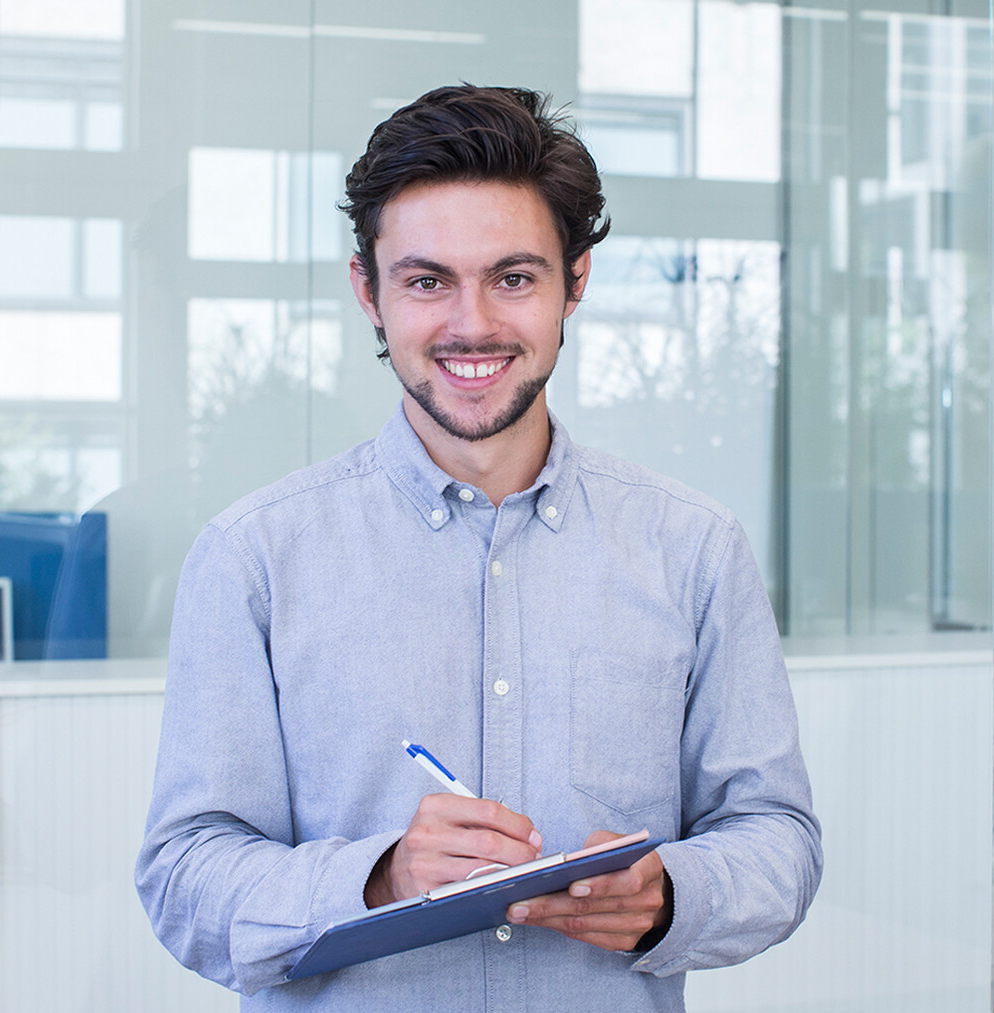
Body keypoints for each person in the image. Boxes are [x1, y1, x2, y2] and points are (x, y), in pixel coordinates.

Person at [137, 84, 822, 1011]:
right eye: (427, 280)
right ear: (367, 291)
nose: (472, 325)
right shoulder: (253, 558)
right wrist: (379, 878)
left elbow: (777, 838)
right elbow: (184, 879)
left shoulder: (693, 548)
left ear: (574, 282)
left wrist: (672, 896)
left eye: (513, 276)